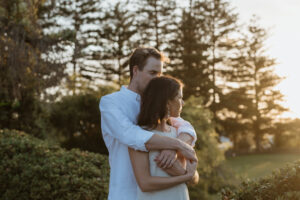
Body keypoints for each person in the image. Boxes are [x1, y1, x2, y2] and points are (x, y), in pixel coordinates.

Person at [99, 47, 198, 200]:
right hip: (125, 194)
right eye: (152, 73)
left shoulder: (158, 105)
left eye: (159, 74)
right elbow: (131, 135)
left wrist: (174, 148)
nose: (157, 79)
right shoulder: (111, 102)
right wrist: (177, 146)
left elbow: (186, 127)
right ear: (135, 70)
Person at [129, 76, 199, 200]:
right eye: (179, 98)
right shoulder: (140, 136)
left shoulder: (179, 134)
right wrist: (184, 178)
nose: (182, 103)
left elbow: (194, 177)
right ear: (167, 102)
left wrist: (184, 174)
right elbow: (145, 184)